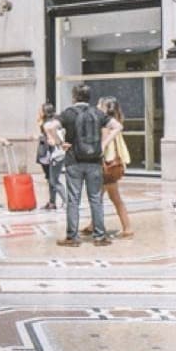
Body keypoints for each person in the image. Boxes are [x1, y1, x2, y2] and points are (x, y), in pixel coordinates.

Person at [45, 83, 121, 247]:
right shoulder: (97, 113)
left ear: (74, 97)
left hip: (74, 161)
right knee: (96, 199)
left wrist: (60, 142)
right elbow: (117, 126)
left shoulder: (68, 113)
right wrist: (103, 144)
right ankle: (99, 237)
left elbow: (49, 126)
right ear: (89, 97)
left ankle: (72, 237)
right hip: (94, 162)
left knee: (73, 200)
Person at [80, 97, 133, 238]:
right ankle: (93, 224)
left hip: (105, 167)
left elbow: (102, 147)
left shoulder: (105, 126)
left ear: (104, 108)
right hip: (112, 166)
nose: (96, 106)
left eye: (99, 104)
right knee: (99, 197)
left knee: (113, 198)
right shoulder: (116, 122)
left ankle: (127, 228)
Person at [36, 102, 66, 211]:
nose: (38, 112)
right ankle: (52, 202)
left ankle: (66, 201)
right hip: (56, 153)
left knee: (53, 180)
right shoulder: (56, 122)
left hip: (52, 154)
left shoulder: (46, 125)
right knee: (51, 179)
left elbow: (52, 141)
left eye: (40, 110)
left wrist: (42, 138)